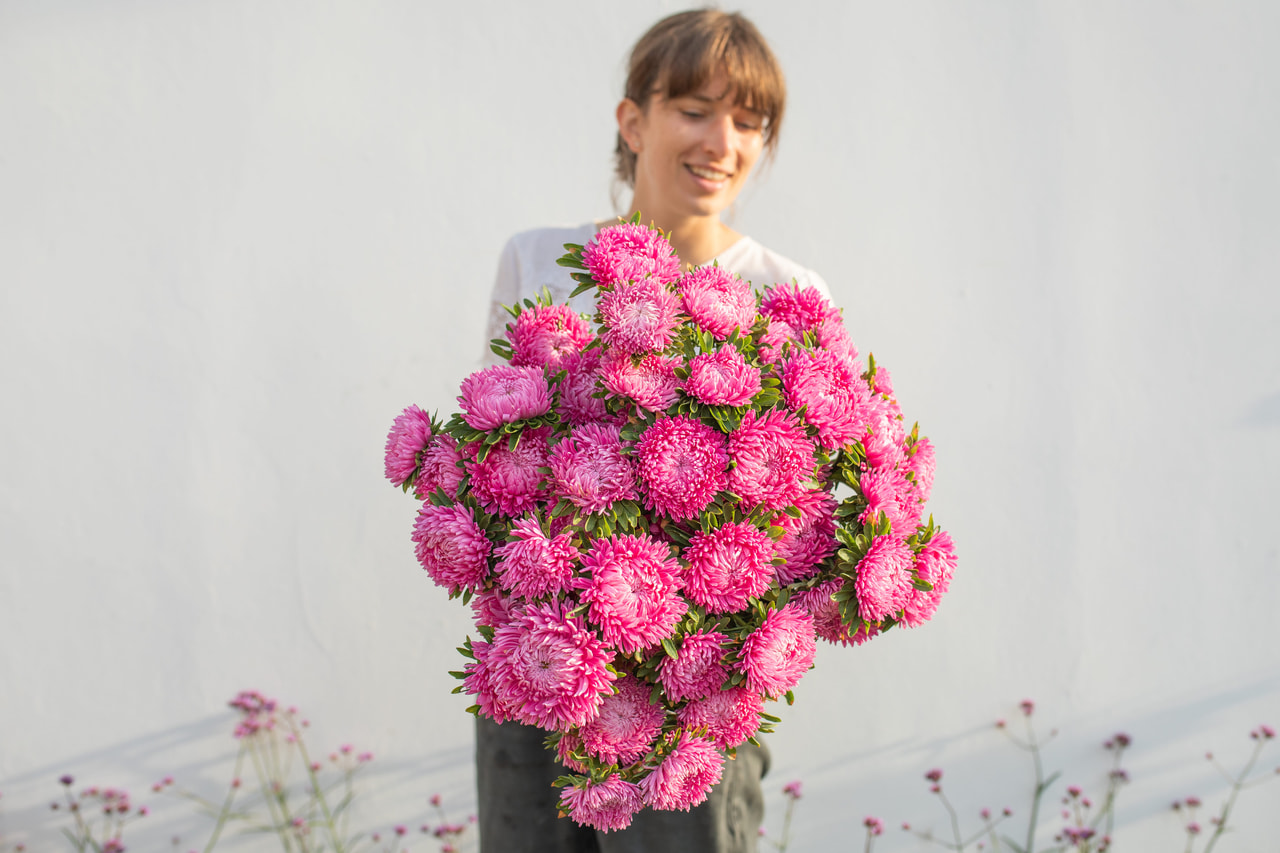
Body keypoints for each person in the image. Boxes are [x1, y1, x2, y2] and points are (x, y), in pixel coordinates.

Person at [476, 10, 832, 853]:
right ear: (633, 121)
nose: (724, 141)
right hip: (539, 668)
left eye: (750, 122)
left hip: (693, 695)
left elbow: (804, 518)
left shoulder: (785, 291)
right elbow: (490, 467)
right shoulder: (537, 261)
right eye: (696, 110)